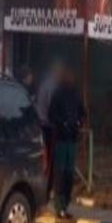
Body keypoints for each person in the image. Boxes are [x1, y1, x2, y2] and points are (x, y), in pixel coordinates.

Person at [48, 68, 86, 219]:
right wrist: (62, 124)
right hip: (62, 139)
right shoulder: (58, 94)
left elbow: (82, 112)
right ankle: (60, 206)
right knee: (61, 173)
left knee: (68, 173)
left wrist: (78, 123)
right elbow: (51, 114)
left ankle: (65, 204)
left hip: (71, 138)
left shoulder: (75, 94)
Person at [36, 62, 64, 200]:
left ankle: (45, 188)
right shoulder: (52, 86)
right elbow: (52, 108)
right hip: (49, 126)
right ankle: (48, 190)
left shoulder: (44, 84)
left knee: (45, 158)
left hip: (41, 125)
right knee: (51, 160)